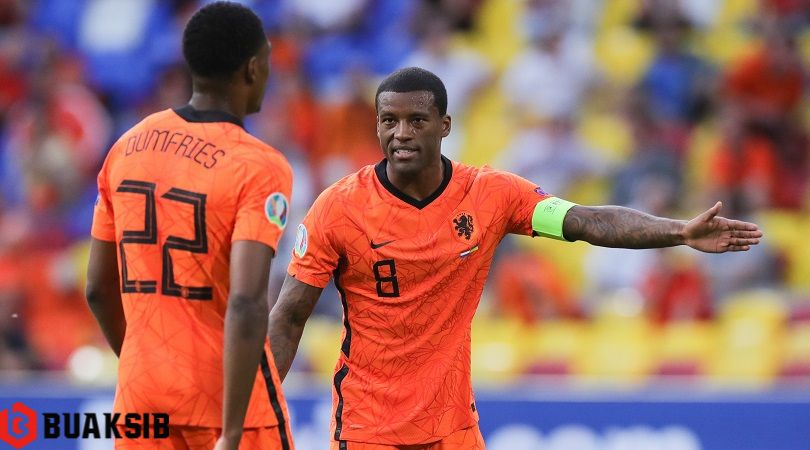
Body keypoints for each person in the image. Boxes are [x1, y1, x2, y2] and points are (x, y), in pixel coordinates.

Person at [267, 67, 762, 450]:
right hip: (368, 427)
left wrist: (678, 231)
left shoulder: (491, 194)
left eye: (416, 120)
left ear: (444, 125)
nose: (401, 133)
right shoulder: (339, 208)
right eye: (388, 121)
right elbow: (288, 317)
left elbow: (585, 220)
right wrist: (256, 415)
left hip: (452, 426)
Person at [85, 3, 294, 449]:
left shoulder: (127, 146)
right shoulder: (259, 165)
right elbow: (246, 302)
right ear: (253, 68)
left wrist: (146, 364)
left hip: (142, 399)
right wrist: (231, 432)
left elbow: (98, 289)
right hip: (226, 401)